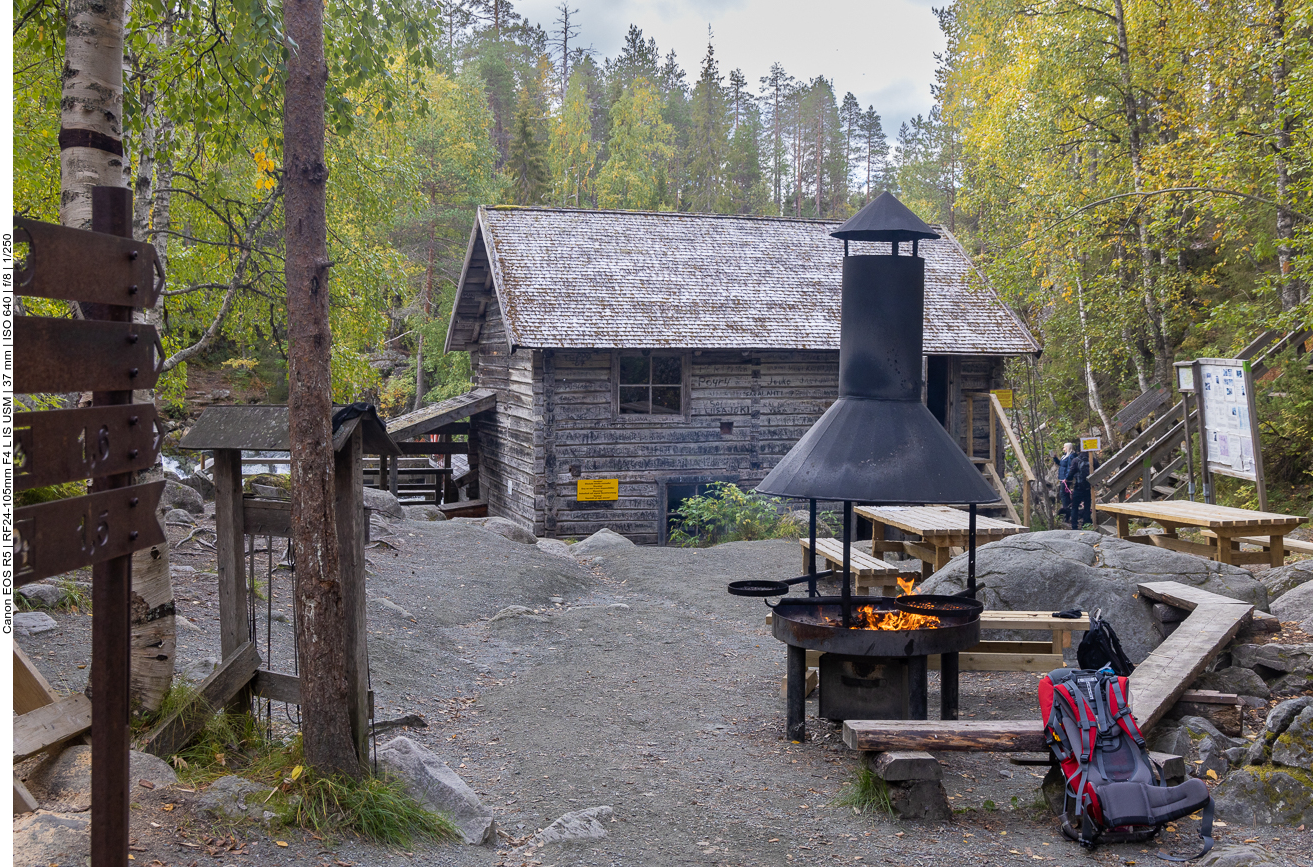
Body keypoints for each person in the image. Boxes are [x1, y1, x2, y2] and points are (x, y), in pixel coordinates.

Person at [1069, 449, 1092, 530]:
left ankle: (1074, 525)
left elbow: (1071, 472)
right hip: (1088, 487)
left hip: (1078, 487)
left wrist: (1067, 480)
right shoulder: (1092, 460)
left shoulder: (1075, 460)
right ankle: (1086, 524)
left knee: (1075, 506)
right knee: (1087, 506)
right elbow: (1099, 470)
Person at [1053, 442, 1076, 524]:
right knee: (1063, 495)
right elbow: (1061, 464)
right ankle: (1067, 511)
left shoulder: (1071, 456)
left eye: (1064, 447)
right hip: (1062, 478)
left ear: (1068, 448)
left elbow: (1070, 467)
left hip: (1066, 480)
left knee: (1064, 495)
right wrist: (1055, 458)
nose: (1063, 449)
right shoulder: (1064, 456)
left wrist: (1067, 478)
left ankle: (1067, 512)